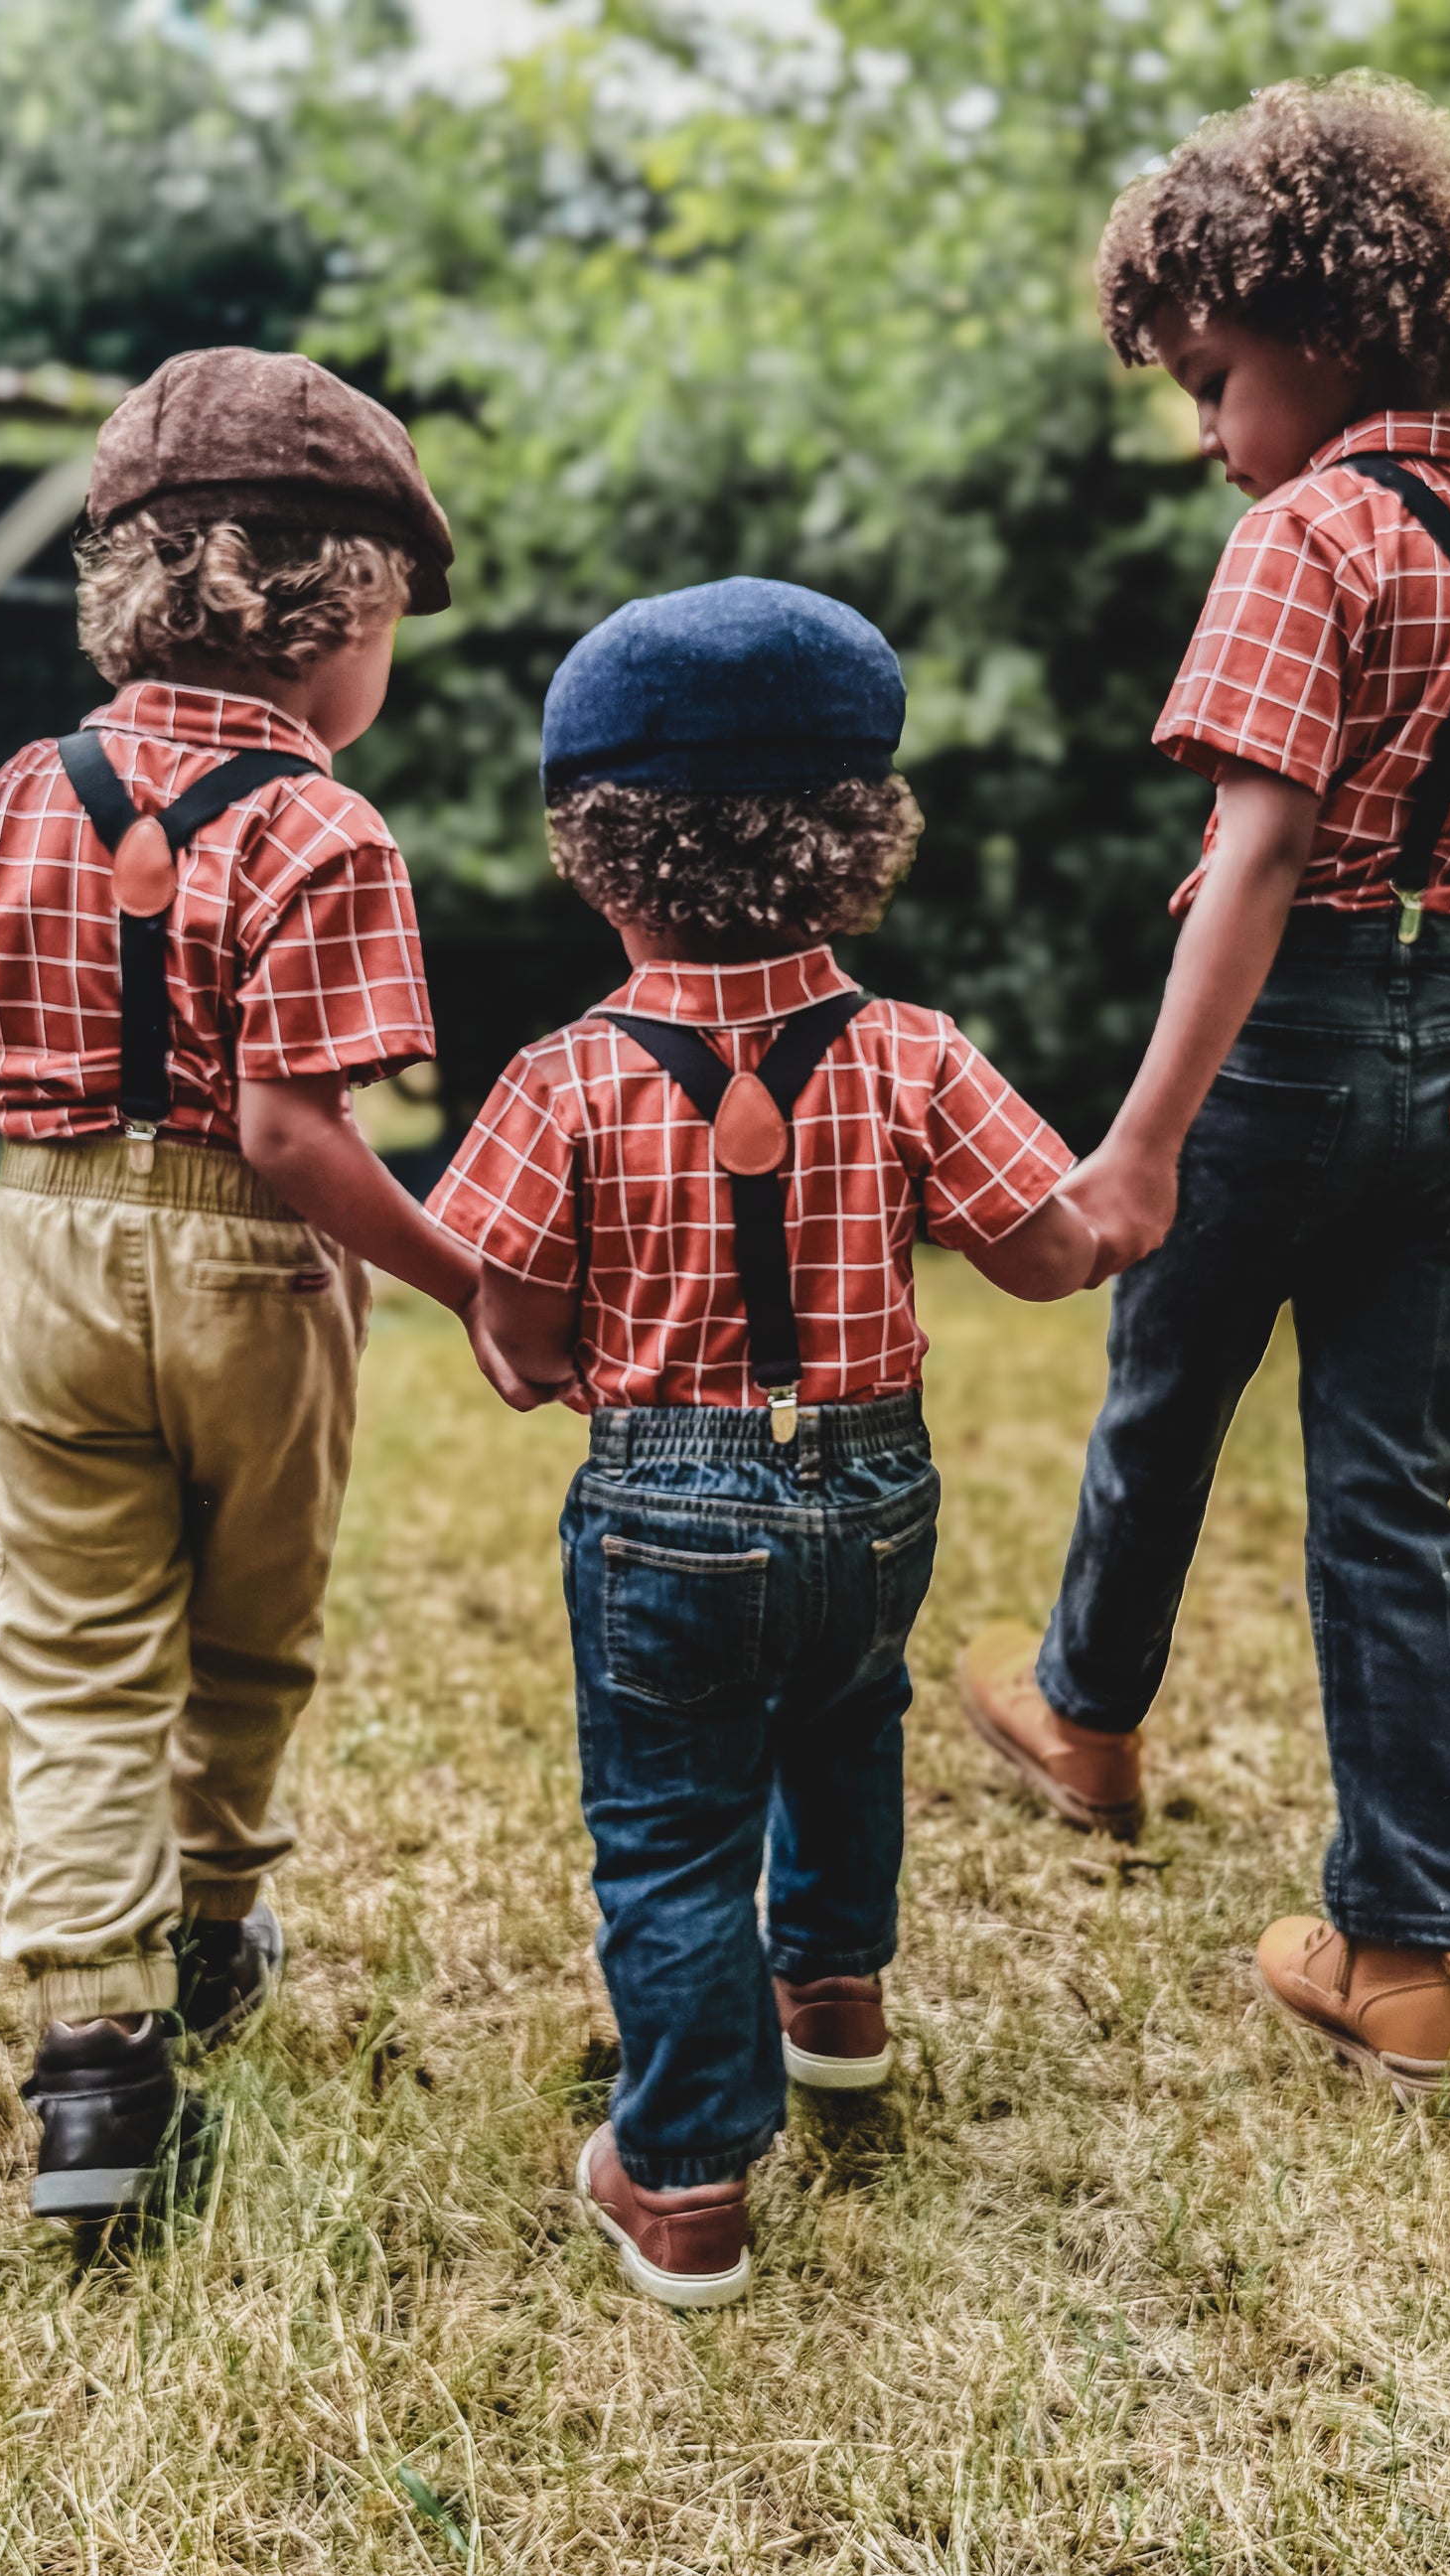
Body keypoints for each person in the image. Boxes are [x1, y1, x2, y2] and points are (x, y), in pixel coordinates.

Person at [958, 74, 1450, 2109]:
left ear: (1323, 329)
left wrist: (1140, 1142)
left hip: (1281, 1046)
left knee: (1163, 1394)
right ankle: (1409, 1953)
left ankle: (1086, 1718)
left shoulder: (1305, 534)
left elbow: (1255, 856)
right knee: (1390, 1497)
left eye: (1211, 377)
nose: (1203, 427)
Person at [0, 348, 522, 2223]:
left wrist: (79, 1124)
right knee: (250, 1624)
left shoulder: (24, 791)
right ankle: (218, 1926)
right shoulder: (325, 825)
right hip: (255, 1268)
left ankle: (94, 2058)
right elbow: (293, 1132)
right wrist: (467, 1279)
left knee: (77, 1650)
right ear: (334, 614)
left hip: (45, 1246)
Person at [430, 577, 1097, 2304]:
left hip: (664, 1498)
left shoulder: (559, 1076)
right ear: (866, 840)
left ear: (593, 857)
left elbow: (518, 1331)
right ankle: (834, 2001)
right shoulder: (914, 1052)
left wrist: (556, 1346)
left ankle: (680, 2177)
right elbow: (1047, 1255)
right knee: (846, 1726)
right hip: (871, 1486)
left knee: (669, 1831)